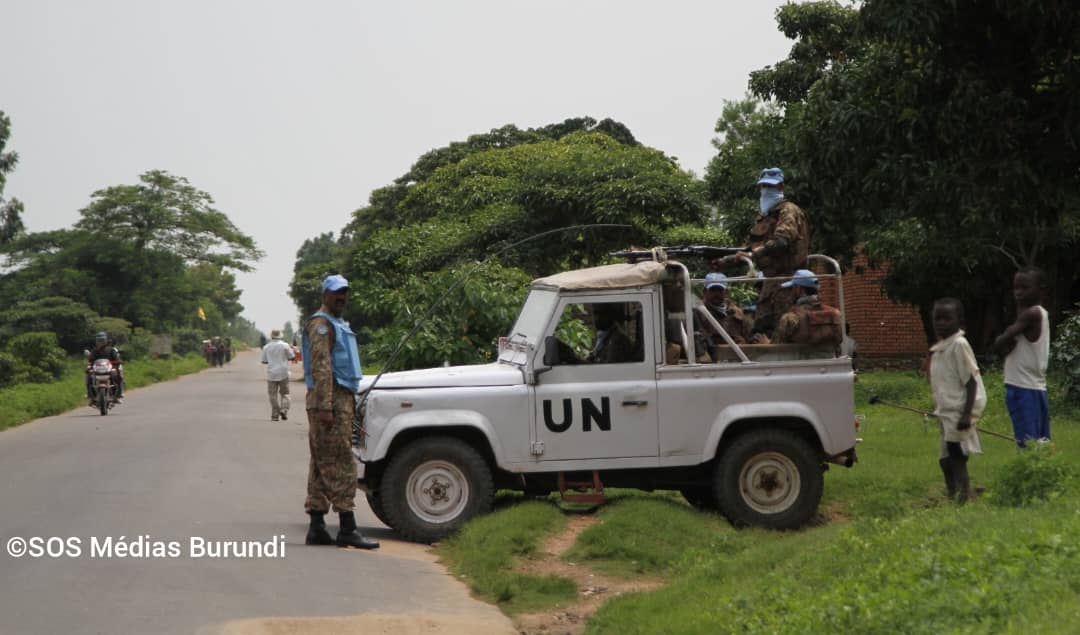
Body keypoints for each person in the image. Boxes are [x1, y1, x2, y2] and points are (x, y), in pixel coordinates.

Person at [301, 274, 379, 549]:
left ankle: (317, 526)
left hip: (339, 398)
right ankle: (347, 527)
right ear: (325, 295)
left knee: (322, 465)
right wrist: (325, 406)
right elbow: (321, 367)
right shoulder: (321, 324)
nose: (341, 297)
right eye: (336, 293)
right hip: (330, 401)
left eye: (344, 292)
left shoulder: (336, 323)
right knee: (342, 462)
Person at [713, 167, 809, 337]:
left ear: (780, 187)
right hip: (769, 281)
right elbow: (750, 248)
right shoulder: (765, 216)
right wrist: (725, 261)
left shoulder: (788, 211)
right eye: (764, 186)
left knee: (784, 327)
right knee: (762, 327)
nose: (766, 190)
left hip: (786, 280)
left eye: (771, 186)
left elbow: (782, 242)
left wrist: (753, 254)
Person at [929, 298, 986, 503]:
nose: (941, 323)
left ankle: (963, 494)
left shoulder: (959, 344)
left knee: (956, 455)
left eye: (947, 318)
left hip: (960, 408)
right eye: (937, 318)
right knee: (944, 459)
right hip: (946, 409)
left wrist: (966, 413)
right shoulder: (940, 348)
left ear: (959, 320)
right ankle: (951, 492)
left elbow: (971, 382)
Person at [992, 267, 1050, 448]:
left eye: (1024, 288)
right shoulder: (1040, 313)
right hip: (1036, 386)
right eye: (1016, 287)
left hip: (1021, 387)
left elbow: (1000, 343)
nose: (1018, 292)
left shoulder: (1030, 314)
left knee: (1027, 443)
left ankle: (1029, 475)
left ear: (1040, 289)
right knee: (1041, 442)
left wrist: (1003, 339)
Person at [772, 269, 842, 348]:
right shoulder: (835, 313)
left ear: (798, 288)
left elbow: (777, 347)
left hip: (800, 359)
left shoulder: (790, 317)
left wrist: (767, 343)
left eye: (792, 288)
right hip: (831, 359)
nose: (791, 291)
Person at [694, 272, 753, 361]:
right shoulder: (698, 313)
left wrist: (744, 343)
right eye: (713, 290)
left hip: (739, 359)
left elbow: (751, 340)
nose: (716, 294)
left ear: (726, 292)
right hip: (710, 361)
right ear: (705, 292)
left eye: (720, 290)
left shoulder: (738, 314)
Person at [261, 329, 295, 422]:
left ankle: (275, 415)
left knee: (273, 395)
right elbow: (292, 356)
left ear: (271, 336)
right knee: (285, 394)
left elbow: (264, 361)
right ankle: (284, 410)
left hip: (271, 374)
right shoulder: (285, 345)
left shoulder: (266, 347)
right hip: (284, 372)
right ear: (280, 336)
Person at [86, 331, 123, 403]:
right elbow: (90, 360)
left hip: (109, 369)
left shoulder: (111, 350)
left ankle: (118, 395)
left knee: (118, 376)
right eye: (99, 340)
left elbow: (116, 359)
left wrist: (117, 362)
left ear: (106, 340)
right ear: (96, 341)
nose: (101, 342)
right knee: (89, 377)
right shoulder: (94, 351)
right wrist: (89, 365)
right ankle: (90, 396)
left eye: (102, 340)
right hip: (97, 370)